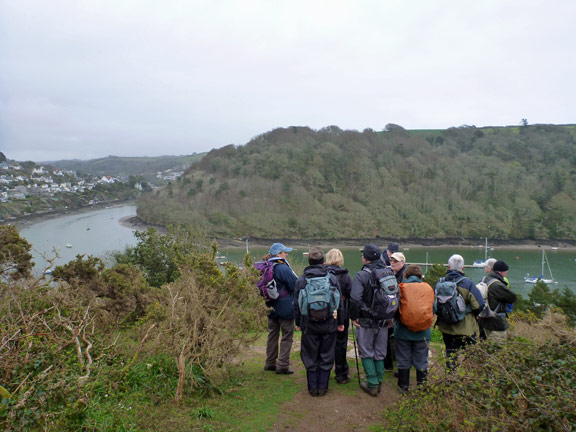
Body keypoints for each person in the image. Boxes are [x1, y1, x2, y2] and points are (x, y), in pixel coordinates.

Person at [294, 247, 345, 396]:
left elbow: (296, 304)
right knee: (327, 354)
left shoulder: (301, 280)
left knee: (310, 355)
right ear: (323, 262)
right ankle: (323, 387)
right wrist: (340, 322)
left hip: (308, 324)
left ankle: (312, 388)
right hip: (329, 323)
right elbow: (339, 303)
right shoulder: (332, 278)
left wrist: (298, 322)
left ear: (309, 261)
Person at [349, 244, 390, 397]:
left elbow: (355, 299)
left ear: (365, 258)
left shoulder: (362, 275)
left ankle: (372, 384)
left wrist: (354, 317)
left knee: (366, 351)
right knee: (380, 352)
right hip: (384, 319)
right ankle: (378, 381)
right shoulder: (387, 272)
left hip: (366, 320)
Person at [436, 254, 485, 370]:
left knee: (451, 355)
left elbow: (435, 305)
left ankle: (450, 380)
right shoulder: (468, 284)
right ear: (463, 268)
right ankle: (468, 382)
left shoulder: (440, 283)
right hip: (466, 328)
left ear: (448, 266)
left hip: (447, 328)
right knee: (470, 357)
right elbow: (479, 305)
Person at [394, 265, 434, 392]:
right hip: (423, 331)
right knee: (422, 359)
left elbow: (394, 309)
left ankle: (403, 386)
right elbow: (434, 308)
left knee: (403, 358)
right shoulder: (428, 288)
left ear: (406, 275)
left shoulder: (401, 288)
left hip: (403, 331)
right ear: (420, 276)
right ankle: (422, 387)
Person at [263, 243, 298, 375]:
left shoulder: (267, 266)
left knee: (272, 334)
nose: (286, 254)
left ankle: (270, 363)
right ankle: (282, 365)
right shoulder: (283, 268)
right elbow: (295, 284)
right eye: (284, 252)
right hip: (285, 307)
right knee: (287, 336)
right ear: (278, 254)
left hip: (270, 306)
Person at [324, 248, 352, 384]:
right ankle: (341, 373)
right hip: (342, 313)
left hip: (324, 312)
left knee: (326, 342)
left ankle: (324, 371)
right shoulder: (346, 275)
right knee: (341, 343)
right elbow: (351, 295)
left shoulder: (323, 274)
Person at [480, 260, 517, 342]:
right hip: (496, 322)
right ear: (501, 272)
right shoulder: (497, 284)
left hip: (484, 320)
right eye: (506, 272)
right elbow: (512, 297)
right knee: (498, 350)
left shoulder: (485, 279)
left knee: (485, 348)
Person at [385, 251, 406, 373]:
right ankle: (389, 363)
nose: (392, 263)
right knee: (387, 336)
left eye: (395, 261)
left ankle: (398, 365)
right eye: (391, 260)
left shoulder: (404, 276)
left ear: (403, 263)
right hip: (391, 311)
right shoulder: (391, 273)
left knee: (400, 339)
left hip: (400, 312)